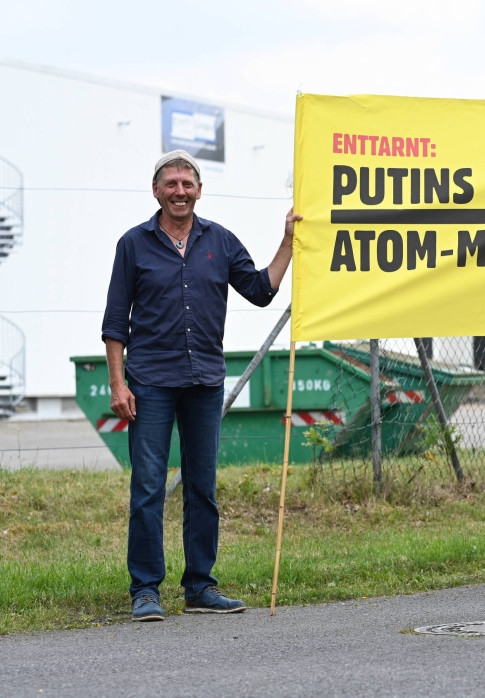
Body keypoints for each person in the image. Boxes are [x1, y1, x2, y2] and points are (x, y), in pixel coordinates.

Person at [102, 150, 301, 621]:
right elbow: (115, 323)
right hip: (149, 382)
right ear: (156, 191)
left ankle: (199, 587)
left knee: (203, 488)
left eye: (187, 184)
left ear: (199, 190)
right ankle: (146, 590)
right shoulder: (133, 244)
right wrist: (118, 382)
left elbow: (260, 290)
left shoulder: (221, 241)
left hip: (204, 381)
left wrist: (288, 242)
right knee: (148, 487)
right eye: (170, 183)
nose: (179, 191)